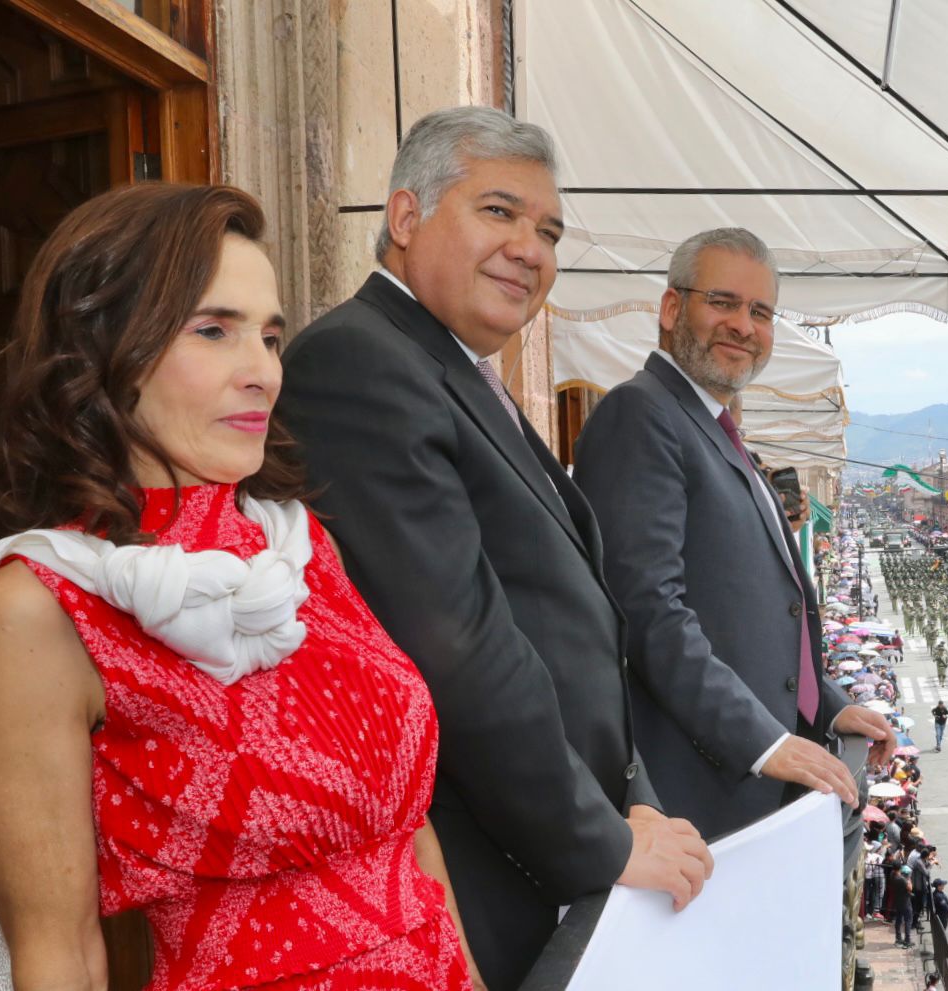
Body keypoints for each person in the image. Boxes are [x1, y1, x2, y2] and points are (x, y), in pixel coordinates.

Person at [0, 184, 479, 990]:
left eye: (272, 337)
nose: (262, 372)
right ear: (104, 350)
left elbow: (410, 833)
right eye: (214, 330)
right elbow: (58, 950)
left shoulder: (302, 547)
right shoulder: (41, 604)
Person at [276, 107, 711, 989]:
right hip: (485, 879)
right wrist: (602, 840)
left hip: (565, 852)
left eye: (548, 230)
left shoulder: (455, 367)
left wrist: (632, 798)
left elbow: (568, 617)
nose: (532, 249)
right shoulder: (360, 364)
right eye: (500, 213)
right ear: (405, 219)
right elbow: (460, 648)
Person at [572, 227, 890, 841]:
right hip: (696, 796)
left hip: (742, 791)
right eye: (722, 302)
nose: (744, 326)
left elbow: (752, 615)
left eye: (760, 311)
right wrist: (764, 741)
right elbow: (648, 611)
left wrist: (824, 705)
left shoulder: (710, 426)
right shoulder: (642, 414)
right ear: (672, 309)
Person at [891, 864, 915, 948]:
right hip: (905, 902)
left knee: (898, 920)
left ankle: (898, 938)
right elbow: (910, 888)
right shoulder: (902, 879)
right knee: (908, 920)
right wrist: (908, 879)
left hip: (898, 901)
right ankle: (907, 940)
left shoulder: (893, 876)